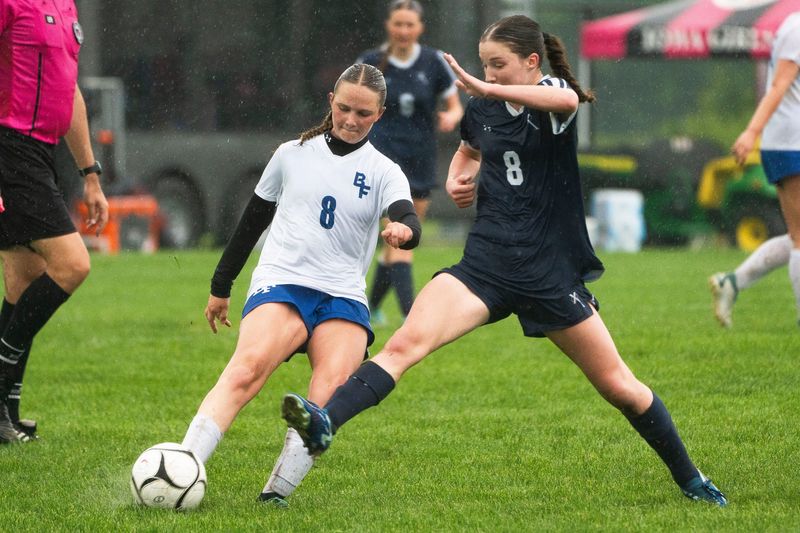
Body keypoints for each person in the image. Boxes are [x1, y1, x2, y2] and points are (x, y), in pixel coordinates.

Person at [282, 15, 728, 507]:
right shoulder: (484, 108)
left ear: (532, 63)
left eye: (499, 66)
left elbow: (565, 100)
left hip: (548, 275)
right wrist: (459, 175)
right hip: (485, 267)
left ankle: (691, 479)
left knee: (619, 386)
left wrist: (482, 88)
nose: (489, 75)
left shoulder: (552, 97)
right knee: (405, 344)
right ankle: (326, 422)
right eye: (484, 66)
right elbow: (470, 149)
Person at [178, 63, 421, 505]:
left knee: (326, 396)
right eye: (344, 108)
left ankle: (276, 493)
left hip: (343, 296)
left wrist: (405, 231)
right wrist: (221, 285)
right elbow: (251, 223)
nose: (350, 120)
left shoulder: (385, 170)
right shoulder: (291, 154)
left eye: (363, 114)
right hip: (284, 282)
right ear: (331, 100)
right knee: (248, 369)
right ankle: (182, 468)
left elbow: (407, 215)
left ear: (380, 115)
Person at [0, 0, 109, 443]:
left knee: (23, 279)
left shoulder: (64, 6)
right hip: (10, 148)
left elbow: (70, 92)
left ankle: (6, 412)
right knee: (72, 265)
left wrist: (90, 175)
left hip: (41, 153)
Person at [358, 0, 463, 325]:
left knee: (399, 239)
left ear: (420, 28)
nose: (403, 31)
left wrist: (450, 117)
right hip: (381, 160)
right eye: (398, 24)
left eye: (409, 25)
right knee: (399, 239)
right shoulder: (371, 63)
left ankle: (372, 308)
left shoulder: (433, 62)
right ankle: (409, 313)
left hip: (419, 158)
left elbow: (455, 105)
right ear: (389, 26)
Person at [709, 12, 800, 329]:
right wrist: (751, 132)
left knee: (796, 236)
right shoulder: (797, 27)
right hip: (790, 143)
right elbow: (777, 88)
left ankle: (732, 283)